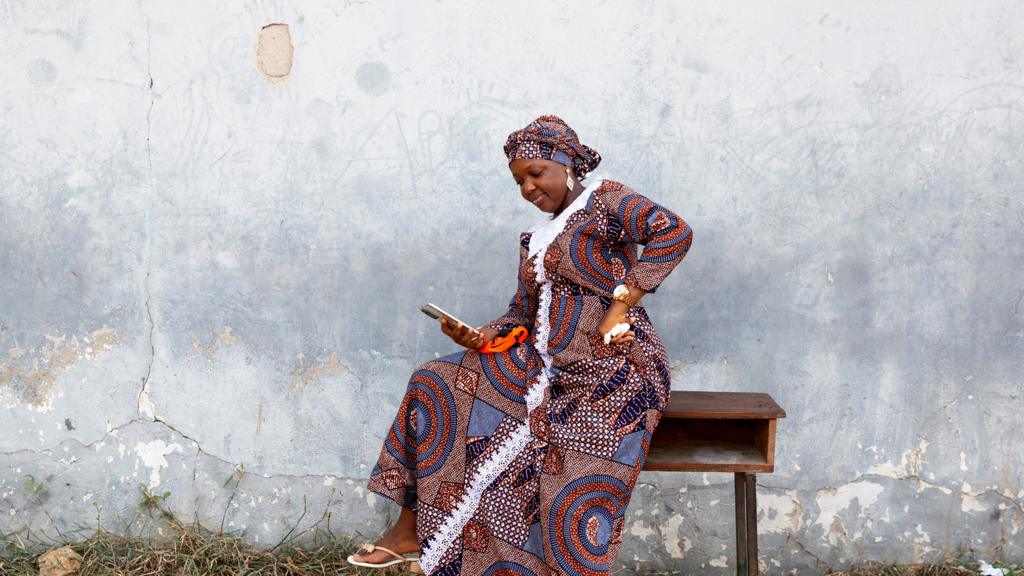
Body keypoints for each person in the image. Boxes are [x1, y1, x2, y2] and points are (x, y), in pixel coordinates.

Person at [348, 114, 694, 575]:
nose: (528, 188)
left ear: (567, 164)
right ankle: (410, 529)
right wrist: (481, 334)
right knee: (436, 381)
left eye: (536, 174)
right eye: (518, 181)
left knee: (561, 474)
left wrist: (621, 304)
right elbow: (521, 313)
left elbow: (673, 232)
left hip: (613, 368)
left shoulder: (606, 200)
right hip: (544, 364)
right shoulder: (535, 240)